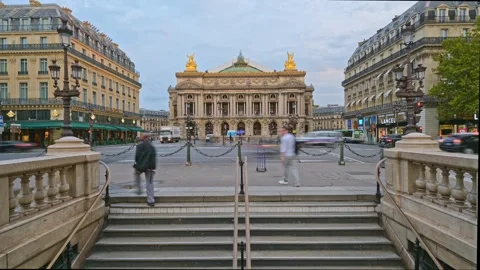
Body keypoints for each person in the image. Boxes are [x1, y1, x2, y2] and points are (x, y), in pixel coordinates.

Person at [133, 133, 157, 206]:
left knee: (136, 174)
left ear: (142, 138)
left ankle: (139, 189)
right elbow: (154, 158)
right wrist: (153, 167)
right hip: (150, 167)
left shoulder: (139, 146)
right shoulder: (152, 146)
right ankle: (151, 201)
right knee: (150, 183)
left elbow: (136, 157)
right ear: (148, 138)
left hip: (141, 166)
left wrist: (138, 164)